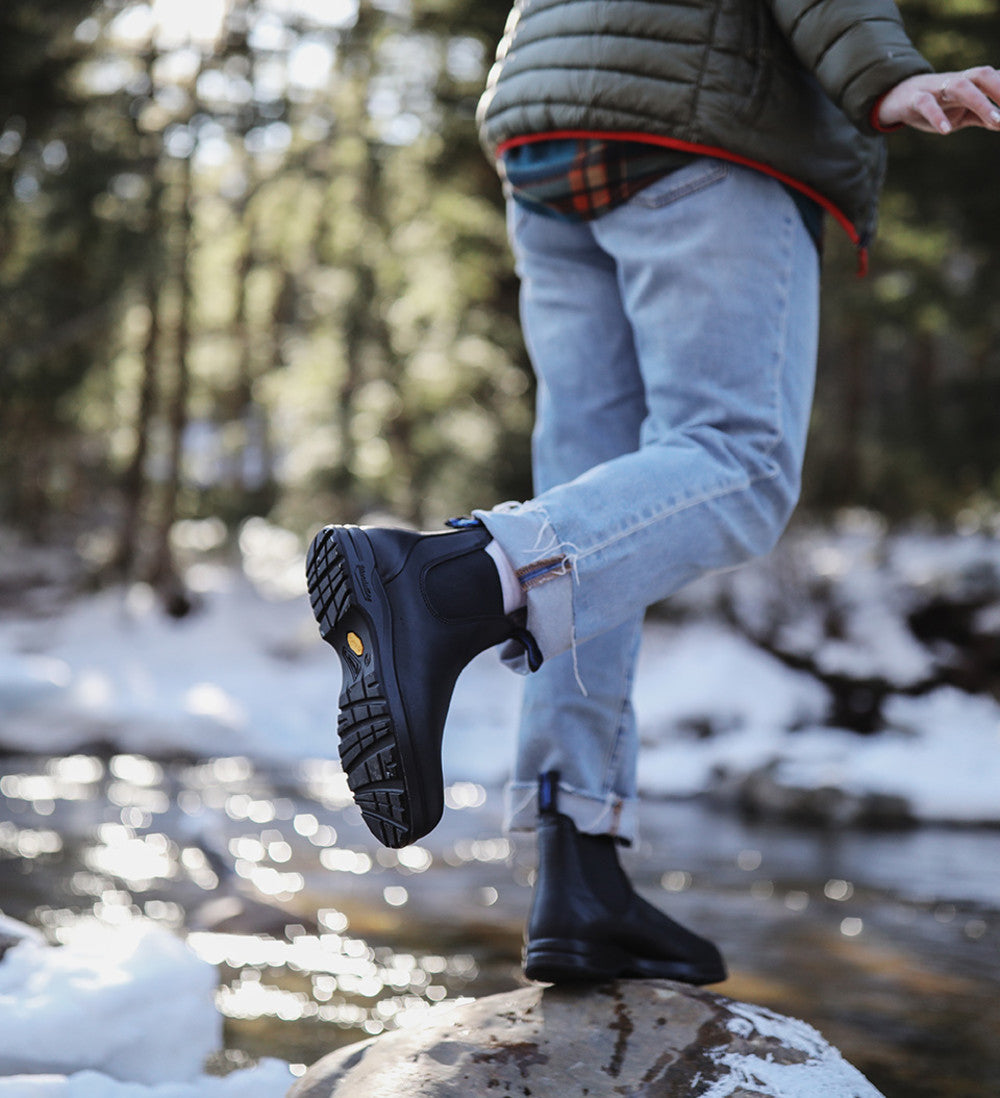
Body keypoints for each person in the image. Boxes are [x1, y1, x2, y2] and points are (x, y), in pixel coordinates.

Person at [306, 2, 1000, 986]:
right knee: (739, 462)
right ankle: (446, 582)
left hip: (547, 125)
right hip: (698, 126)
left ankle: (578, 870)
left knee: (592, 520)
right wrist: (881, 70)